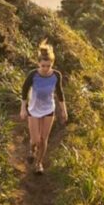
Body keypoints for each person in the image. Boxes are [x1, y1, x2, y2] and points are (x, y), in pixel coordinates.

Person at [19, 39, 68, 175]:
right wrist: (23, 108)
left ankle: (39, 163)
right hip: (33, 109)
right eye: (43, 65)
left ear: (52, 64)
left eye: (48, 65)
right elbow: (24, 90)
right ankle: (32, 149)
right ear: (38, 64)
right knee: (35, 139)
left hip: (48, 110)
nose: (46, 68)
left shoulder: (56, 75)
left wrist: (64, 111)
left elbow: (59, 93)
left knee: (43, 139)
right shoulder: (33, 75)